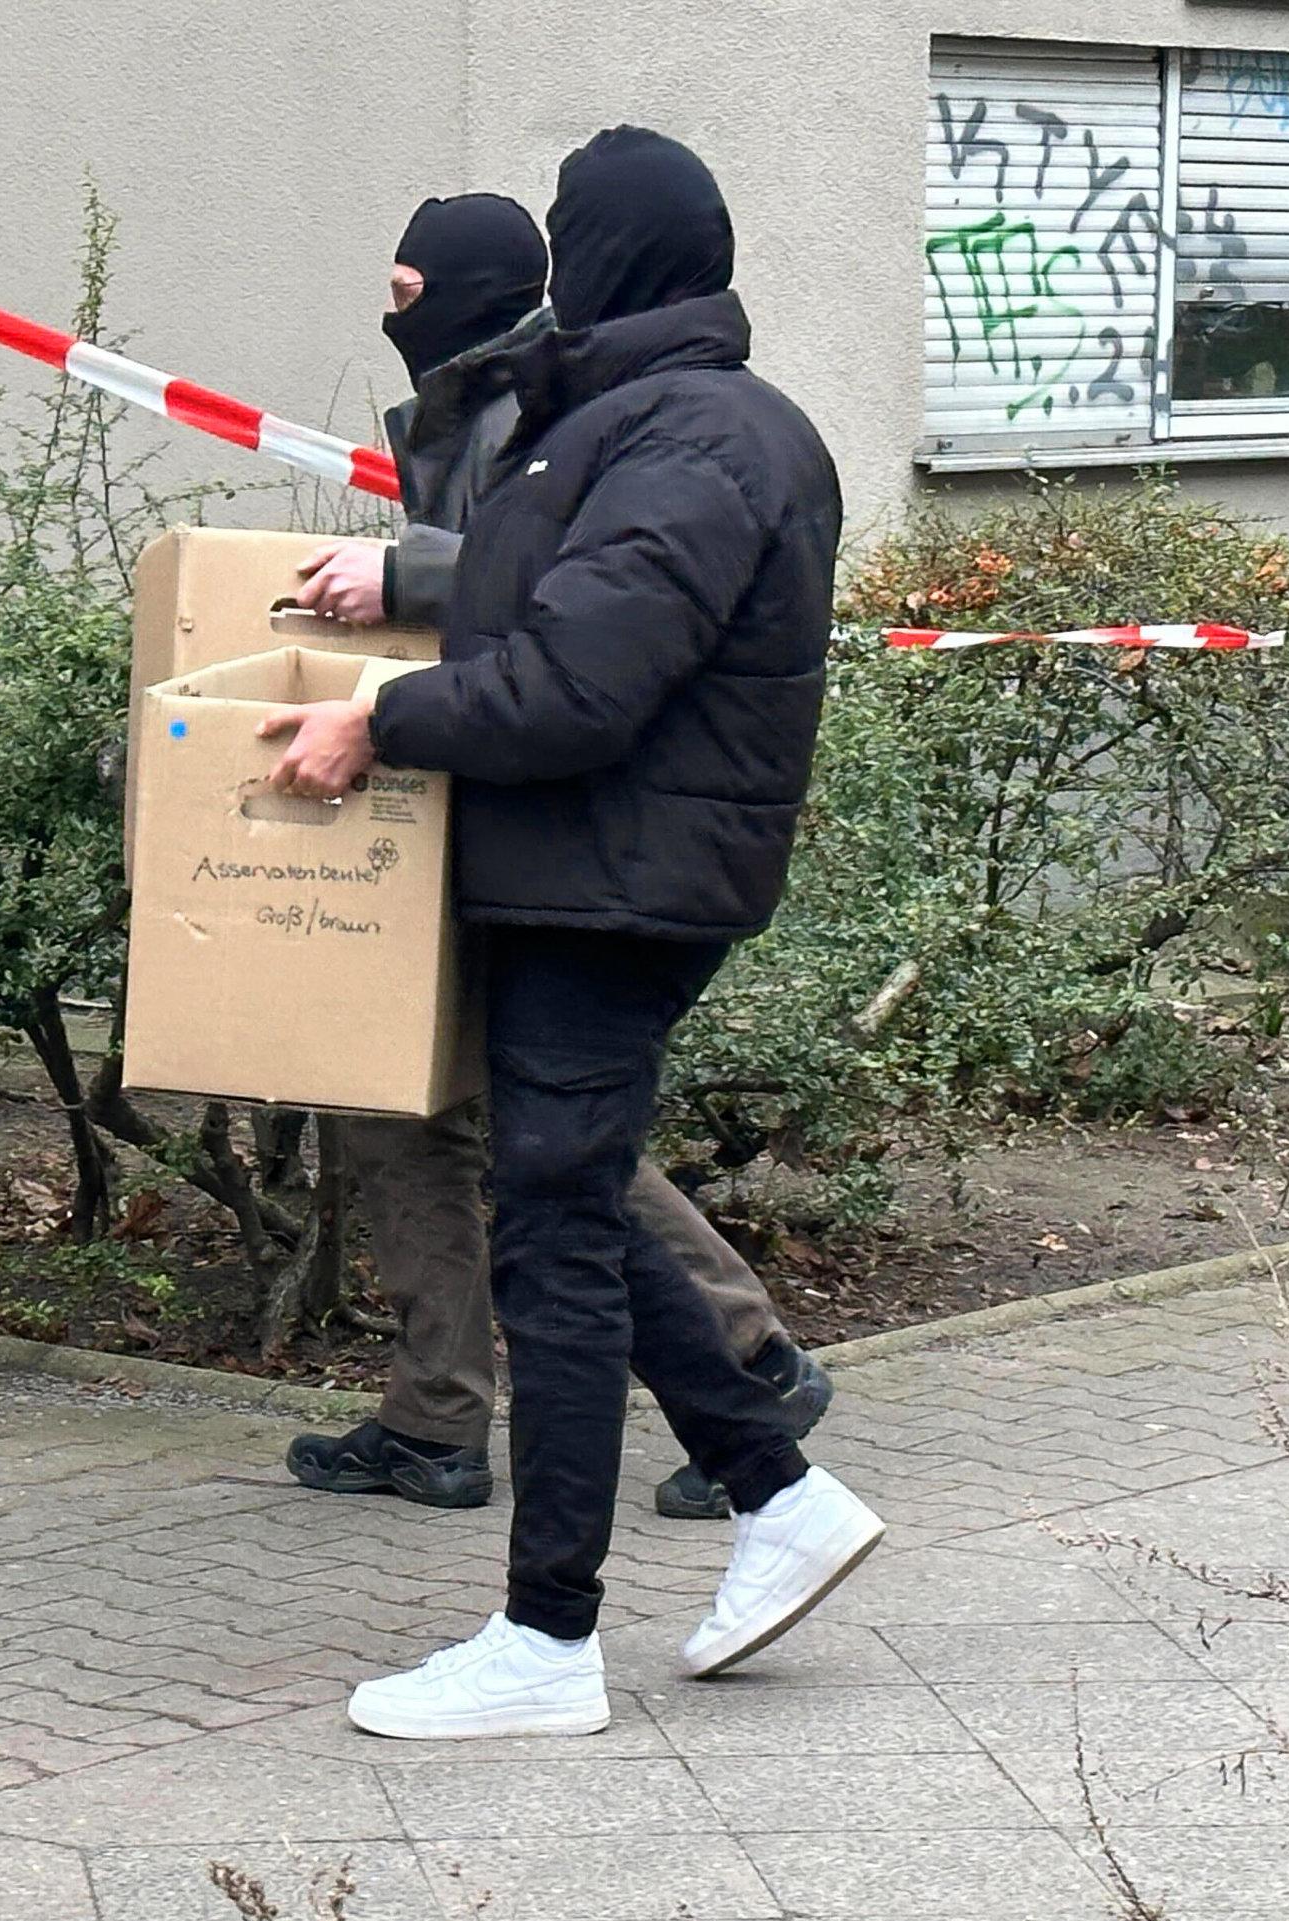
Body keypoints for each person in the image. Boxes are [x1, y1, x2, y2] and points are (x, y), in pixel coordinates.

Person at [262, 128, 885, 1740]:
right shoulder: (643, 417)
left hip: (614, 880)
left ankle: (548, 1637)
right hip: (592, 870)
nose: (557, 263)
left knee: (551, 1241)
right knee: (574, 1198)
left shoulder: (696, 434)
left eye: (571, 233)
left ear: (617, 252)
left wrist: (380, 724)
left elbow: (576, 681)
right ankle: (778, 1492)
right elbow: (539, 609)